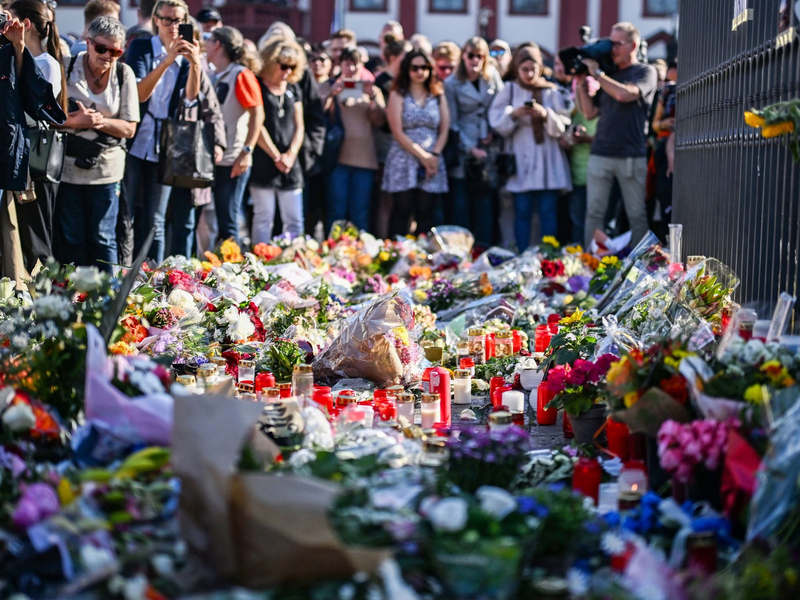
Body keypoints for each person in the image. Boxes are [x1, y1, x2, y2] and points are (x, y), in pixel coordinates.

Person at [55, 16, 139, 272]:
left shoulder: (124, 73)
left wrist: (98, 121)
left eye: (115, 51)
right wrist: (77, 121)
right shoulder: (66, 67)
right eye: (101, 48)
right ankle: (72, 298)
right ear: (88, 42)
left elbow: (129, 128)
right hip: (69, 167)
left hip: (107, 169)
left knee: (103, 237)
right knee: (72, 238)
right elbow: (48, 119)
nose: (107, 56)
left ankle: (108, 298)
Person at [124, 0, 202, 263]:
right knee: (127, 213)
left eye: (178, 20)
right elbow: (139, 94)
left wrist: (196, 64)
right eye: (167, 19)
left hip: (166, 144)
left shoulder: (187, 55)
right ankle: (122, 272)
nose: (173, 26)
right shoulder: (142, 48)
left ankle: (151, 279)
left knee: (156, 219)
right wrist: (167, 60)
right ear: (155, 19)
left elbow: (191, 98)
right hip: (136, 140)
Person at [575, 21, 657, 249]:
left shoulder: (645, 71)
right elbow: (590, 113)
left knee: (635, 213)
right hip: (601, 152)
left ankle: (640, 265)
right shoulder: (609, 74)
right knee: (594, 212)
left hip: (631, 155)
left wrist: (598, 74)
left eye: (617, 44)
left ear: (632, 46)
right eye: (610, 43)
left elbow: (625, 94)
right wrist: (582, 83)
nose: (612, 49)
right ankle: (590, 263)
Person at [0, 10, 66, 284]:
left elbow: (26, 95)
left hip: (8, 152)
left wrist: (17, 46)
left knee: (19, 236)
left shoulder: (10, 52)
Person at [489, 43, 571, 251]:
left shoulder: (551, 91)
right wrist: (515, 114)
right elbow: (496, 120)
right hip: (521, 159)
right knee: (522, 211)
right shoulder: (510, 90)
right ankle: (523, 254)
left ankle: (547, 255)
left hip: (547, 161)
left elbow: (563, 125)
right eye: (525, 69)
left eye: (534, 68)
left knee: (547, 211)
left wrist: (545, 115)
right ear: (517, 69)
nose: (530, 73)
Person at [203, 26, 264, 247]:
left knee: (228, 221)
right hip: (213, 158)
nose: (205, 43)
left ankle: (235, 274)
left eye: (209, 40)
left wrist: (247, 151)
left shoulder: (241, 74)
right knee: (217, 220)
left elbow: (257, 113)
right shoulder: (213, 73)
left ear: (218, 45)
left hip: (233, 159)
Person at [444, 36, 503, 249]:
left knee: (485, 203)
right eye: (471, 55)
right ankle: (461, 250)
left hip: (487, 144)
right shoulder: (452, 83)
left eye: (480, 56)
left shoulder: (492, 77)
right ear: (463, 57)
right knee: (461, 203)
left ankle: (484, 247)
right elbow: (453, 120)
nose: (475, 60)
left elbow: (500, 107)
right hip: (464, 148)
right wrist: (471, 147)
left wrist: (493, 131)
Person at [383, 50, 449, 238]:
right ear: (407, 70)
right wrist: (424, 157)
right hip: (404, 157)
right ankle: (395, 256)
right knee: (402, 210)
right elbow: (397, 130)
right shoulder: (398, 94)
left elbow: (444, 129)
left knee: (426, 213)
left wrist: (433, 156)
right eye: (415, 68)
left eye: (424, 68)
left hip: (433, 159)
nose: (420, 72)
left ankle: (424, 260)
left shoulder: (437, 94)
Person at [249, 36, 306, 242]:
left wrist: (290, 155)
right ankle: (258, 264)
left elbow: (299, 124)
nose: (287, 72)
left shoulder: (293, 88)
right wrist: (275, 156)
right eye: (283, 66)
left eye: (292, 67)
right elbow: (256, 123)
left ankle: (293, 261)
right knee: (264, 217)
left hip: (290, 163)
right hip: (265, 159)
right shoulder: (258, 86)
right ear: (271, 63)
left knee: (294, 220)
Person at [323, 46, 386, 231]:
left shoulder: (372, 89)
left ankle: (359, 255)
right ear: (340, 65)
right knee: (336, 211)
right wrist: (330, 95)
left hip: (364, 159)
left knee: (360, 212)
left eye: (355, 64)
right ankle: (331, 252)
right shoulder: (329, 86)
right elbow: (317, 116)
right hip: (337, 157)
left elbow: (380, 122)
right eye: (347, 64)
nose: (351, 68)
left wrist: (373, 100)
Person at [372, 33, 412, 237]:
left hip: (407, 147)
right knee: (386, 199)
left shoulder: (407, 81)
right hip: (385, 146)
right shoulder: (381, 81)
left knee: (406, 200)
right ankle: (383, 241)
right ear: (395, 57)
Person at [566, 76, 599, 244]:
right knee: (577, 220)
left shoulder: (601, 112)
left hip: (598, 177)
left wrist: (586, 138)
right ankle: (579, 256)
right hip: (577, 175)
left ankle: (594, 254)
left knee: (597, 221)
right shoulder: (574, 113)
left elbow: (606, 140)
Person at [650, 58, 677, 241]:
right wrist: (665, 123)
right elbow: (655, 124)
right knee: (665, 198)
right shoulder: (667, 91)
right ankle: (667, 241)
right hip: (666, 146)